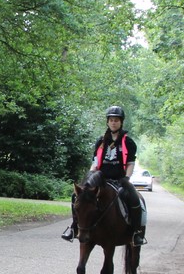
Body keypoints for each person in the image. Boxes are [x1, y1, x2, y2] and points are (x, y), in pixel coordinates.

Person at [61, 105, 147, 246]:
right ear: (107, 122)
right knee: (77, 196)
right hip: (101, 177)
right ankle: (74, 227)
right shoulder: (101, 141)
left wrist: (127, 178)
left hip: (120, 178)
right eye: (111, 120)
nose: (113, 123)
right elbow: (95, 163)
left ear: (121, 122)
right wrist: (90, 177)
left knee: (133, 196)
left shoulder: (128, 142)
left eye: (116, 120)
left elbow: (130, 163)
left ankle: (136, 232)